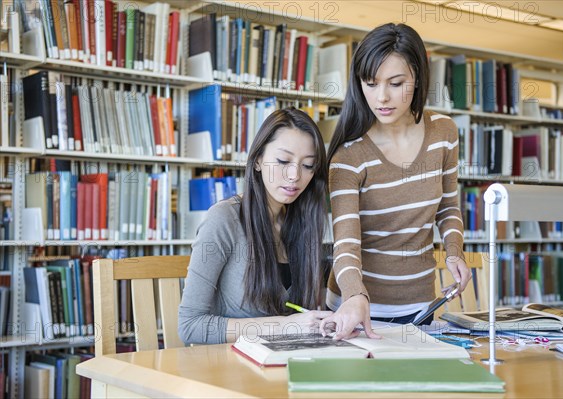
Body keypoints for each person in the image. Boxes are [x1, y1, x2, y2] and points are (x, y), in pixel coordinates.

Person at [320, 23, 471, 340]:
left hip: (421, 306)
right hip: (357, 308)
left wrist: (455, 252)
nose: (382, 97)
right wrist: (355, 296)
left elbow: (448, 206)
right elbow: (346, 244)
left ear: (417, 77)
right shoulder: (349, 156)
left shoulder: (444, 133)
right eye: (371, 84)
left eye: (396, 83)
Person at [178, 108, 331, 345]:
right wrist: (286, 326)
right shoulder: (224, 219)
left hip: (282, 366)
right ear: (258, 160)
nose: (294, 175)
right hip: (227, 369)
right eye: (283, 161)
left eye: (308, 165)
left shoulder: (302, 225)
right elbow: (190, 326)